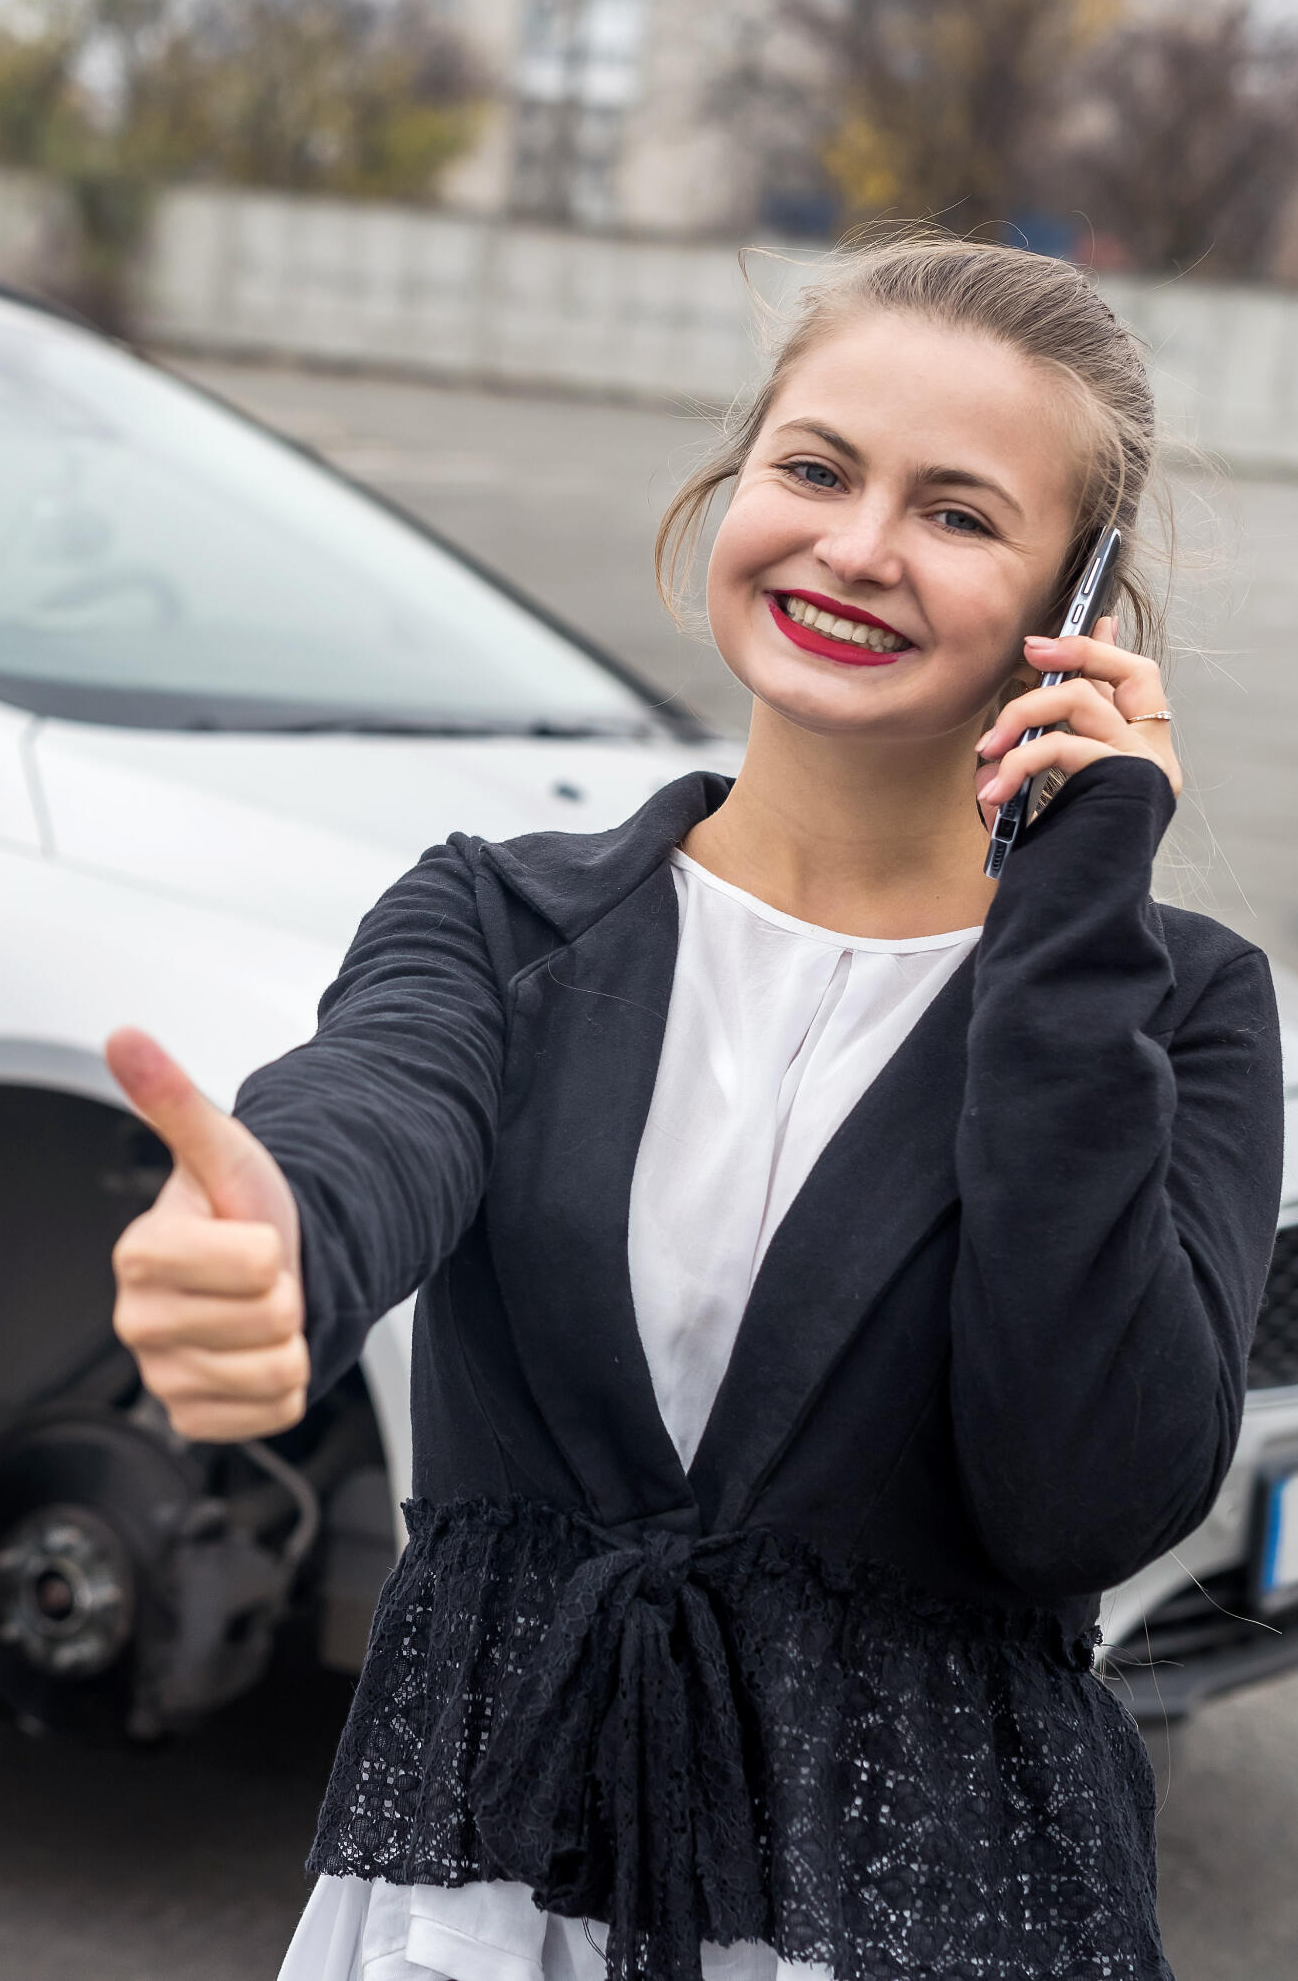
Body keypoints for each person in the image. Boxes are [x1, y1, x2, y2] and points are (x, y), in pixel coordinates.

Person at [107, 237, 1284, 1981]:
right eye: (815, 467)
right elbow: (380, 1109)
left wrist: (1071, 908)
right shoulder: (500, 915)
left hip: (916, 1921)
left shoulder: (1169, 1002)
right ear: (735, 483)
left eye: (959, 514)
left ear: (1080, 606)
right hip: (482, 1911)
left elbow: (1083, 1496)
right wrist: (281, 1233)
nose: (858, 546)